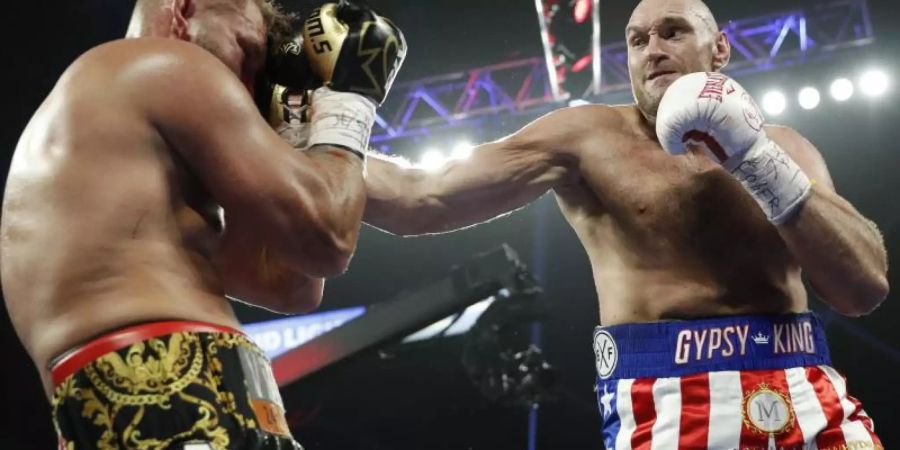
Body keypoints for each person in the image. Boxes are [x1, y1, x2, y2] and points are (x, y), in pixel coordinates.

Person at [362, 0, 887, 447]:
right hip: (670, 408)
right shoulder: (589, 138)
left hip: (809, 396)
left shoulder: (785, 146)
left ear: (720, 49)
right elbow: (422, 197)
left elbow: (863, 288)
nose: (652, 49)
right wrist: (316, 131)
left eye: (672, 32)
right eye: (637, 41)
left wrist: (756, 158)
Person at [0, 0, 405, 448]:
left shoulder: (133, 170)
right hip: (160, 383)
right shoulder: (157, 66)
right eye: (246, 51)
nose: (248, 84)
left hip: (194, 390)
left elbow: (292, 285)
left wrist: (291, 120)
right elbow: (327, 236)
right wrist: (351, 95)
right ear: (182, 12)